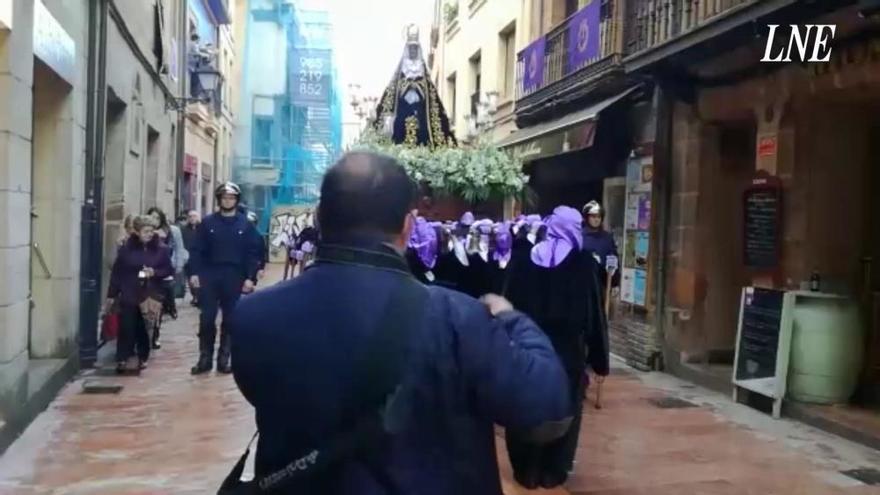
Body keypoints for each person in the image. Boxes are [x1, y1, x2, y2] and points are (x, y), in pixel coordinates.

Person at [230, 152, 571, 494]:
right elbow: (547, 412)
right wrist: (512, 319)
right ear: (409, 226)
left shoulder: (253, 317)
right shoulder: (459, 319)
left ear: (319, 219)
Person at [503, 206, 610, 489]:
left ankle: (526, 469)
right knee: (565, 410)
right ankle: (554, 470)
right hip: (567, 354)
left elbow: (506, 310)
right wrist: (600, 360)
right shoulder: (583, 263)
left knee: (523, 406)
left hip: (525, 351)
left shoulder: (523, 260)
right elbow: (594, 315)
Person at [188, 182, 261, 375]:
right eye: (224, 197)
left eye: (231, 198)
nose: (227, 201)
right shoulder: (208, 223)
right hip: (210, 275)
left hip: (234, 276)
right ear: (219, 199)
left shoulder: (245, 224)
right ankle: (204, 358)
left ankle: (224, 359)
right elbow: (197, 250)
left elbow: (253, 253)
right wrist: (194, 273)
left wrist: (250, 278)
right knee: (207, 318)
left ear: (237, 200)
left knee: (230, 319)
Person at [106, 215, 173, 373]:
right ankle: (124, 357)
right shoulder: (126, 249)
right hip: (129, 292)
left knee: (144, 328)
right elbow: (117, 272)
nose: (149, 234)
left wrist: (154, 272)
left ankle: (142, 357)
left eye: (151, 231)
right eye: (145, 231)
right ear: (136, 232)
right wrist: (112, 294)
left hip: (150, 294)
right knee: (127, 326)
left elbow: (169, 270)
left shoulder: (161, 249)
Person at [146, 207, 188, 347]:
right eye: (152, 217)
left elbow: (179, 248)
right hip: (147, 274)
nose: (154, 221)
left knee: (159, 306)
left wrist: (177, 267)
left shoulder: (171, 231)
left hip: (165, 273)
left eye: (157, 218)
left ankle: (155, 335)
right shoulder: (145, 232)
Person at [582, 201, 620, 297]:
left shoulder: (607, 238)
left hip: (601, 283)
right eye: (593, 216)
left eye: (599, 217)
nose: (596, 220)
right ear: (587, 217)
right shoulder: (579, 236)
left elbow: (613, 258)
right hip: (583, 283)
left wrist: (615, 283)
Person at [181, 209, 201, 306]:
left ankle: (198, 296)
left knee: (198, 277)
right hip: (188, 256)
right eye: (190, 216)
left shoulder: (202, 228)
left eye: (194, 216)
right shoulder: (184, 230)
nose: (192, 218)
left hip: (199, 257)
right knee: (190, 278)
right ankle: (195, 295)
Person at [247, 210, 267, 282]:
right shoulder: (240, 234)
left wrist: (262, 268)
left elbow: (262, 253)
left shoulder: (258, 237)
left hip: (252, 267)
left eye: (252, 223)